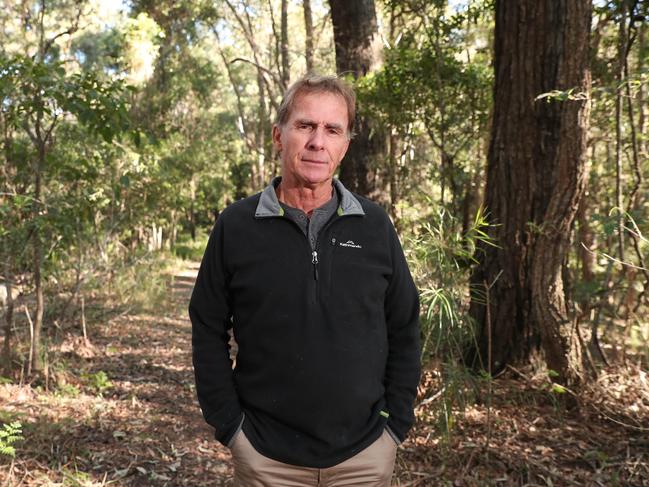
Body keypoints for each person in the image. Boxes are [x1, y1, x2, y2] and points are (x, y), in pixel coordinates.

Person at [189, 74, 421, 486]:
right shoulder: (237, 226)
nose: (318, 141)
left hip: (364, 457)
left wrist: (394, 426)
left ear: (345, 145)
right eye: (305, 126)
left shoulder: (374, 226)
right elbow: (207, 327)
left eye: (332, 129)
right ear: (279, 136)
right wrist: (230, 427)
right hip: (266, 458)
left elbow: (404, 326)